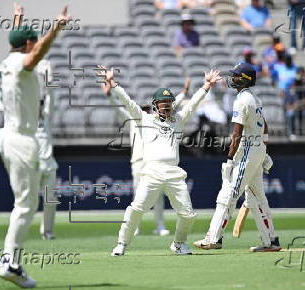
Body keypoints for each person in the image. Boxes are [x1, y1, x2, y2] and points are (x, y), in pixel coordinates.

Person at [99, 66, 221, 256]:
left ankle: (179, 243)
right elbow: (128, 102)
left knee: (188, 214)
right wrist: (112, 83)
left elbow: (193, 104)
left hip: (174, 172)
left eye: (168, 103)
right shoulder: (144, 119)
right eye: (162, 103)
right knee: (136, 209)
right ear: (155, 104)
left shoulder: (178, 119)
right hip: (151, 171)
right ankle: (122, 244)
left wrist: (206, 85)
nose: (166, 106)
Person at [0, 3, 71, 288]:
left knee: (25, 203)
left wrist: (17, 18)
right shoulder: (21, 63)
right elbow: (34, 54)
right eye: (33, 40)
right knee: (25, 205)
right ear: (28, 44)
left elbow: (21, 45)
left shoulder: (7, 60)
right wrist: (57, 28)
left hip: (11, 137)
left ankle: (9, 259)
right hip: (22, 139)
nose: (36, 44)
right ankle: (10, 262)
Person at [193, 63, 281, 252]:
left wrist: (230, 159)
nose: (231, 79)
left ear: (244, 79)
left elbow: (236, 134)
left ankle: (214, 238)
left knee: (229, 195)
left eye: (235, 76)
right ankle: (271, 241)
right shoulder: (254, 98)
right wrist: (263, 149)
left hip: (247, 151)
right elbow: (265, 127)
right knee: (257, 197)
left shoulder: (242, 100)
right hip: (257, 150)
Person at [103, 78, 191, 236]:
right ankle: (135, 227)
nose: (144, 111)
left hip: (154, 164)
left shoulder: (154, 121)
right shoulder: (134, 120)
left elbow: (172, 104)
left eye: (146, 109)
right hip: (138, 163)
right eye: (142, 108)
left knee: (158, 198)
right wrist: (110, 94)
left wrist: (184, 93)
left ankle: (160, 226)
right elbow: (121, 107)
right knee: (140, 198)